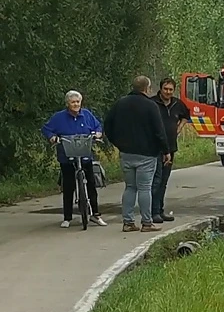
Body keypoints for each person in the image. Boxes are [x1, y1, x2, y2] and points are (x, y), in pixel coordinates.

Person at [104, 76, 170, 233]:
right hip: (147, 154)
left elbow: (108, 125)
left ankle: (128, 222)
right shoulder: (151, 106)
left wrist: (118, 143)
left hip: (126, 152)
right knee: (145, 187)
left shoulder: (120, 103)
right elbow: (159, 131)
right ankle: (147, 222)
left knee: (130, 187)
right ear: (146, 89)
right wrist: (165, 150)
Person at [41, 90, 108, 228]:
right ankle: (67, 217)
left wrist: (98, 134)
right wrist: (52, 137)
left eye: (78, 102)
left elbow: (97, 126)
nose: (76, 104)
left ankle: (95, 214)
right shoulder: (59, 117)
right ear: (67, 103)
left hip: (85, 154)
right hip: (67, 156)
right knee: (68, 186)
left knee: (91, 183)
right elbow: (46, 129)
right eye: (73, 102)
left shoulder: (87, 115)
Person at [150, 77, 190, 223]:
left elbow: (186, 115)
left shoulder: (177, 104)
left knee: (164, 181)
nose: (168, 92)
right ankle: (153, 212)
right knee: (156, 180)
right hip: (155, 147)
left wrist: (179, 127)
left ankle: (160, 210)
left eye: (170, 90)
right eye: (165, 89)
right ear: (160, 89)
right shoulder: (153, 103)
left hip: (171, 147)